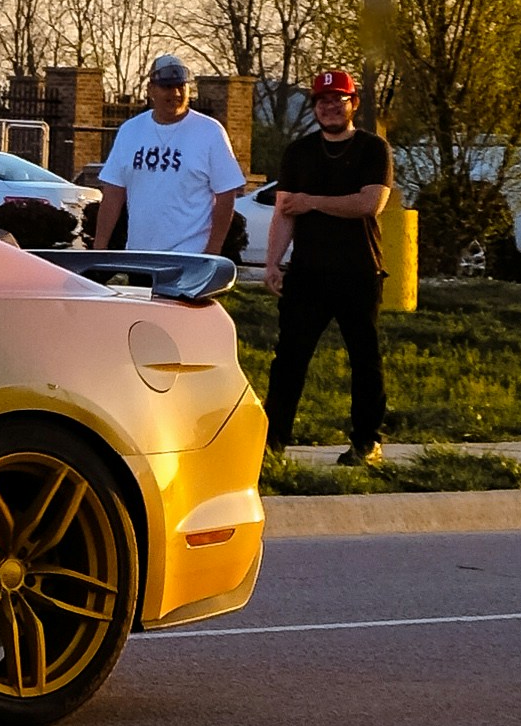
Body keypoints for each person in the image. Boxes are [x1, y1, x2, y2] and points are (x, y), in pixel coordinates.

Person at [262, 68, 394, 468]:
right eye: (322, 101)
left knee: (364, 359)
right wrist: (272, 262)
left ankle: (366, 443)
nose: (330, 107)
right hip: (307, 273)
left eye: (339, 99)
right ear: (314, 107)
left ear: (354, 104)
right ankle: (271, 444)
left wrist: (312, 202)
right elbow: (285, 211)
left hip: (359, 270)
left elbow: (370, 203)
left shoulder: (372, 149)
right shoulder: (299, 152)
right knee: (289, 359)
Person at [94, 54, 244, 257]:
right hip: (139, 255)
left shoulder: (210, 132)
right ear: (151, 90)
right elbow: (113, 192)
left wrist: (213, 250)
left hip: (190, 256)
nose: (175, 93)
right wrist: (99, 247)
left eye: (181, 86)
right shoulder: (130, 131)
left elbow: (226, 194)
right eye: (167, 87)